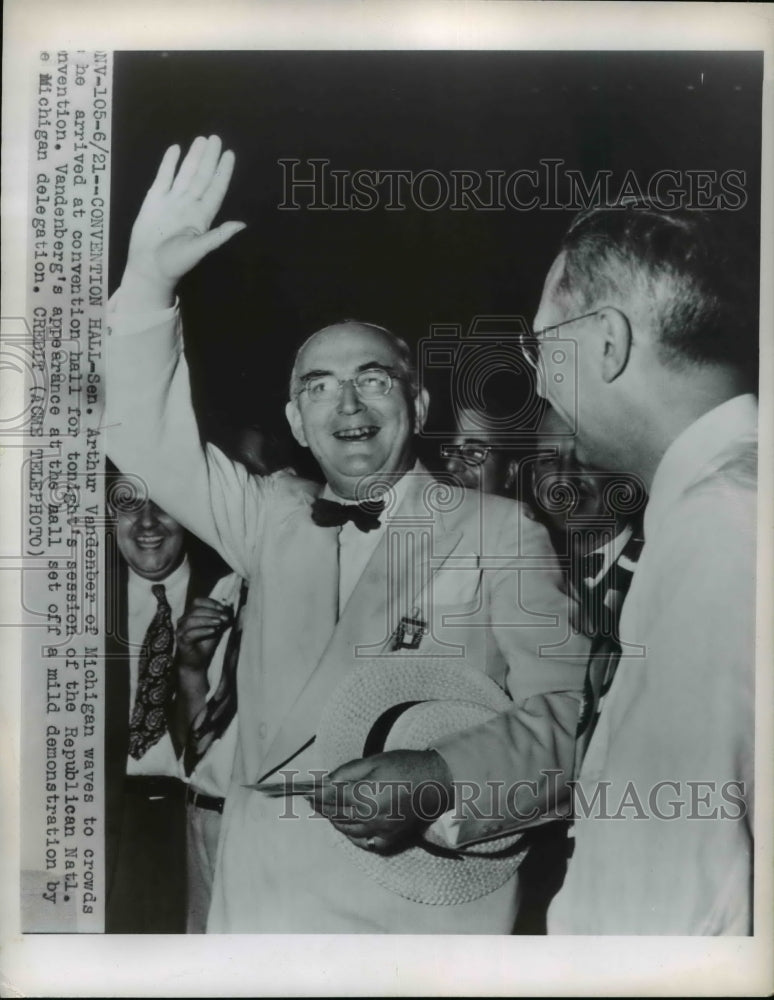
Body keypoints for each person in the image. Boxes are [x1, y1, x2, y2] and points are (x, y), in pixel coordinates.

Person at [106, 134, 590, 933]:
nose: (350, 408)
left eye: (373, 380)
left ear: (420, 406)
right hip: (261, 919)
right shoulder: (267, 517)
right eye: (321, 389)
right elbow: (144, 437)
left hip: (412, 927)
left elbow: (575, 718)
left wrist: (443, 775)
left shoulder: (500, 530)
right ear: (297, 421)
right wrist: (150, 283)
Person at [523, 202, 757, 934]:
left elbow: (663, 897)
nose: (538, 387)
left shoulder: (714, 532)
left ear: (607, 344)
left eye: (541, 351)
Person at [104, 468, 224, 933]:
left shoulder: (231, 591)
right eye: (129, 504)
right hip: (98, 817)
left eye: (164, 504)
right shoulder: (74, 598)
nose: (147, 523)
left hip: (193, 821)